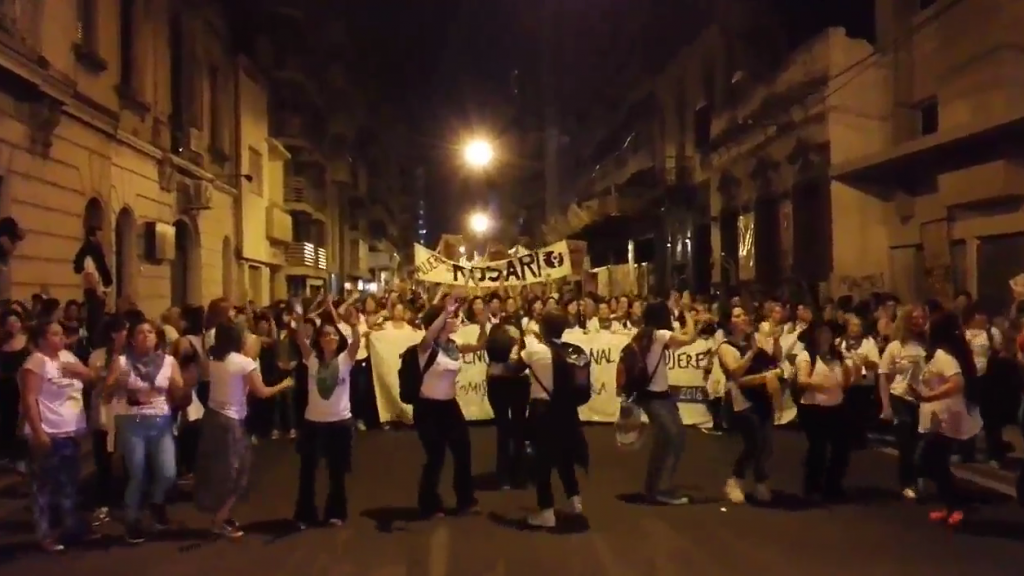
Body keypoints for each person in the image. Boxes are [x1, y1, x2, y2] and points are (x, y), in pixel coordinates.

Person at [194, 322, 292, 537]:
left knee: (218, 468)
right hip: (231, 421)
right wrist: (285, 384)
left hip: (212, 417)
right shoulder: (244, 363)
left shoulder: (215, 360)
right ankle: (219, 519)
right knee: (239, 472)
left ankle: (221, 513)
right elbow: (262, 392)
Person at [105, 319, 189, 543]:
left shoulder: (168, 362)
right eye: (140, 332)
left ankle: (156, 501)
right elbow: (105, 395)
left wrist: (183, 387)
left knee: (168, 472)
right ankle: (132, 520)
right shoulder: (121, 362)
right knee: (137, 473)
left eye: (150, 332)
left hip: (160, 420)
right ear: (132, 339)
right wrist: (116, 384)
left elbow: (180, 391)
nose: (146, 336)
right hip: (132, 421)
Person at [20, 319, 94, 552]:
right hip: (49, 432)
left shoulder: (68, 358)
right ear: (42, 339)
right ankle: (46, 535)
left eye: (62, 334)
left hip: (70, 431)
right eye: (55, 334)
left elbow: (92, 378)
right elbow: (29, 399)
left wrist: (81, 371)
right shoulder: (36, 362)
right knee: (45, 487)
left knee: (69, 484)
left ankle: (71, 529)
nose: (61, 338)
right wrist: (38, 431)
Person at [411, 296, 487, 518]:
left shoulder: (453, 346)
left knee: (463, 451)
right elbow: (428, 335)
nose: (456, 320)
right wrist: (445, 311)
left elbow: (480, 345)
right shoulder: (425, 347)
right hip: (427, 408)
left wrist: (483, 325)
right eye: (452, 318)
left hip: (450, 407)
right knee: (436, 456)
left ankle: (466, 500)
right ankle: (429, 503)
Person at [292, 300, 361, 528]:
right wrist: (301, 319)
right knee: (308, 471)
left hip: (340, 423)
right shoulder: (311, 360)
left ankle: (336, 512)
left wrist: (353, 325)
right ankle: (305, 514)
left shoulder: (345, 360)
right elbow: (301, 339)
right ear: (319, 340)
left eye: (332, 335)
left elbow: (357, 342)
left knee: (337, 471)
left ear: (338, 339)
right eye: (324, 336)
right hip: (313, 423)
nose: (329, 339)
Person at [516, 309, 588, 527]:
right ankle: (575, 501)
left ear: (543, 328)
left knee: (542, 461)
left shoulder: (535, 350)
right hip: (567, 411)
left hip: (543, 410)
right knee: (565, 456)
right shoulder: (576, 351)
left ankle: (546, 512)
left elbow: (513, 368)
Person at [913, 311, 981, 526]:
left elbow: (957, 383)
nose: (925, 328)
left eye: (929, 325)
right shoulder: (937, 353)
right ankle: (951, 505)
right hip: (939, 416)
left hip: (947, 417)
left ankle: (958, 504)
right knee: (937, 462)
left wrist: (928, 396)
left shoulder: (944, 355)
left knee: (926, 460)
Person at [718, 304, 785, 504]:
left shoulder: (754, 339)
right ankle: (736, 480)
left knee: (766, 443)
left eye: (744, 314)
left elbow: (775, 359)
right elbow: (735, 373)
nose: (743, 318)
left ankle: (760, 482)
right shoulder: (725, 347)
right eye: (737, 315)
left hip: (761, 394)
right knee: (754, 442)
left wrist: (775, 341)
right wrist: (751, 353)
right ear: (730, 322)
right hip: (741, 399)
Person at [795, 320, 859, 500]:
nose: (826, 336)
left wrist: (852, 367)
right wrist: (825, 385)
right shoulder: (807, 356)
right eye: (822, 332)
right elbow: (802, 380)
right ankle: (812, 486)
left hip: (836, 407)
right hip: (813, 408)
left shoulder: (837, 357)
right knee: (818, 448)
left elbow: (847, 382)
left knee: (842, 448)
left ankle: (833, 485)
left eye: (829, 333)